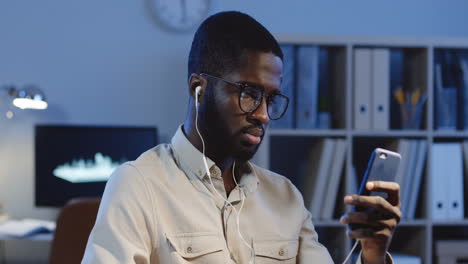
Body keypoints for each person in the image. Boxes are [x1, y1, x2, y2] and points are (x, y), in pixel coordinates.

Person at [82, 11, 401, 264]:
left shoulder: (285, 196)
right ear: (199, 89)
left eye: (271, 99)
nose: (263, 114)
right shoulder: (139, 185)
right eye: (249, 94)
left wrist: (372, 255)